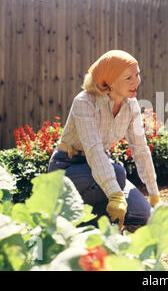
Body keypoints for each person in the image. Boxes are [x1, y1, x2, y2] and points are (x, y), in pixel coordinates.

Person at [48, 50, 160, 230]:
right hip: (67, 167)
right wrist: (116, 195)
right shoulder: (84, 102)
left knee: (143, 214)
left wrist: (154, 193)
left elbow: (140, 149)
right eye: (128, 78)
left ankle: (98, 220)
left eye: (137, 75)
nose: (136, 81)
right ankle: (83, 225)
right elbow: (94, 152)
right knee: (117, 173)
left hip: (101, 168)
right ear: (109, 81)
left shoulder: (131, 105)